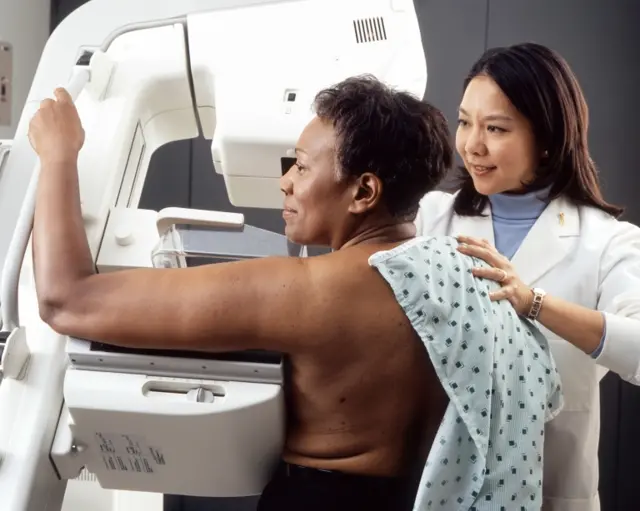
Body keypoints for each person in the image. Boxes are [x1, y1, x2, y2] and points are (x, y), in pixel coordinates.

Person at [28, 75, 561, 510]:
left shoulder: (309, 291)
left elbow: (65, 299)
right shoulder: (468, 274)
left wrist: (58, 156)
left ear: (364, 191)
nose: (285, 182)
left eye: (302, 166)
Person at [415, 41, 640, 511]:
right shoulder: (429, 219)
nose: (472, 145)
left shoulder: (607, 242)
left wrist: (535, 302)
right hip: (442, 489)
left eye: (495, 128)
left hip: (554, 494)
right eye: (464, 122)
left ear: (547, 140)